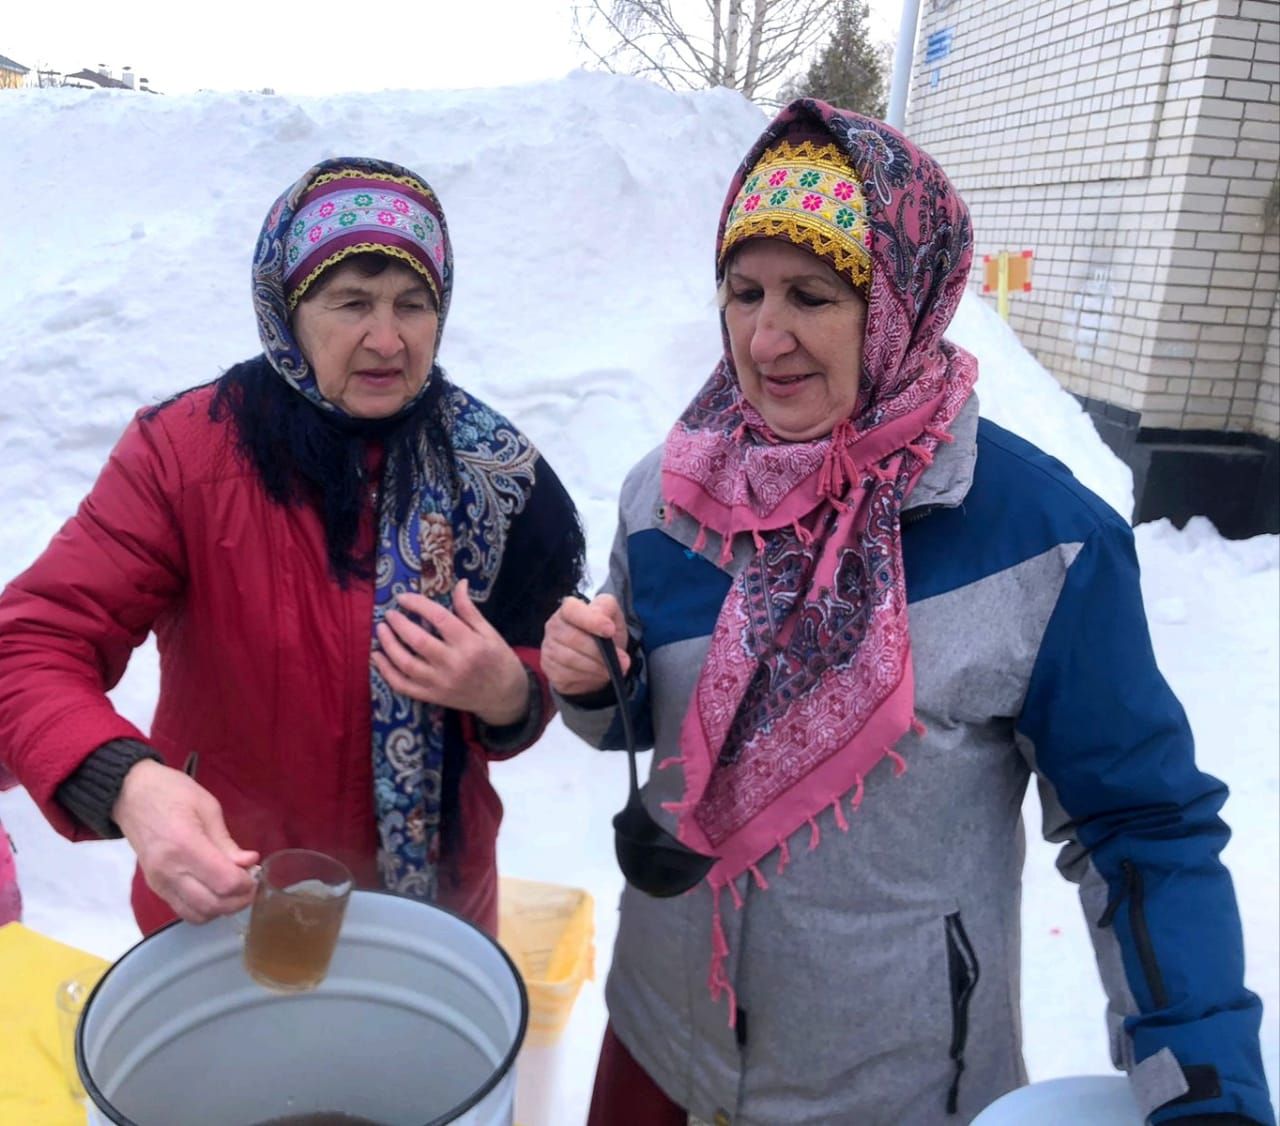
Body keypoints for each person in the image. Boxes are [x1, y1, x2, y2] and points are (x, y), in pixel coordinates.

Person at [543, 101, 1273, 1126]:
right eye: (742, 291)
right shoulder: (669, 497)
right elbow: (649, 723)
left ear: (898, 300)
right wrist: (596, 687)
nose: (764, 336)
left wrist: (1201, 1088)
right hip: (663, 1054)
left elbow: (1140, 829)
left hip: (897, 1089)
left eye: (810, 294)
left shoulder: (1041, 537)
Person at [0, 156, 585, 939]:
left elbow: (548, 655)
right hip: (235, 900)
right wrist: (129, 785)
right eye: (352, 303)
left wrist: (507, 692)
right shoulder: (185, 454)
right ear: (289, 307)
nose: (387, 338)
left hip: (433, 917)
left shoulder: (496, 472)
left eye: (413, 304)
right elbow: (31, 645)